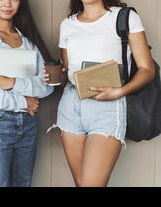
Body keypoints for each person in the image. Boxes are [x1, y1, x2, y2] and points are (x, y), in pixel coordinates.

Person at [45, 0, 155, 187]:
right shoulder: (68, 24)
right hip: (71, 105)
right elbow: (68, 72)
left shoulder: (126, 17)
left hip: (108, 105)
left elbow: (147, 69)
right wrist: (55, 76)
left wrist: (120, 91)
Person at [0, 0, 54, 187]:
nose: (7, 3)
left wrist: (10, 82)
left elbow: (47, 86)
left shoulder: (29, 41)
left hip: (29, 124)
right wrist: (24, 102)